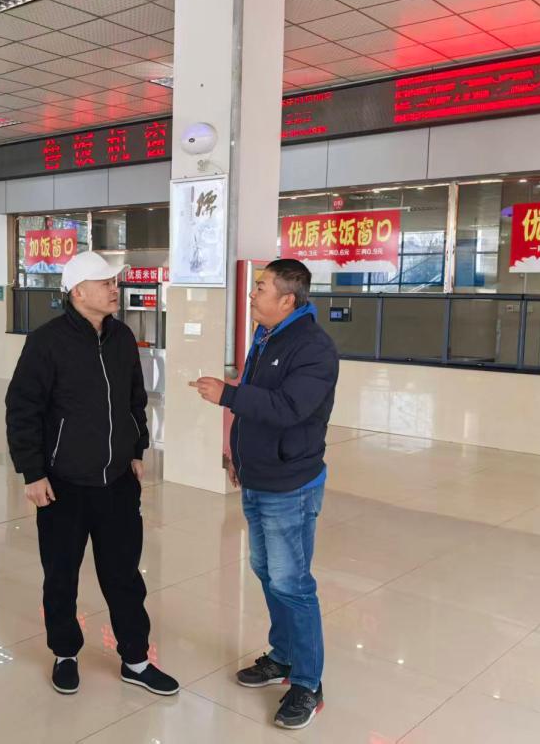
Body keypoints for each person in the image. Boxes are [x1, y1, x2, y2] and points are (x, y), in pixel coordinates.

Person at [6, 251, 179, 697]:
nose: (114, 289)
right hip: (62, 485)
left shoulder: (122, 337)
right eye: (105, 283)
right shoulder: (46, 342)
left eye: (113, 282)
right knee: (60, 576)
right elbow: (22, 409)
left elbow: (135, 398)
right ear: (79, 292)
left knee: (124, 576)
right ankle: (65, 653)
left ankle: (136, 659)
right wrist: (32, 473)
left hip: (117, 483)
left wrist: (136, 448)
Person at [190, 258, 338, 730]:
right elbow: (258, 408)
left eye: (261, 288)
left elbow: (289, 408)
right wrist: (238, 456)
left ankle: (308, 683)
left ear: (287, 299)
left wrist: (228, 394)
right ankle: (283, 656)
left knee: (292, 583)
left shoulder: (313, 348)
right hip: (259, 477)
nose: (252, 295)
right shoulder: (267, 335)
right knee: (267, 572)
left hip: (291, 484)